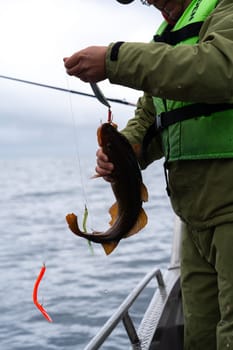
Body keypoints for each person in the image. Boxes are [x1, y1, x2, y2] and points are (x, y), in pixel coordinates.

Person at [64, 0, 233, 349]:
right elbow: (150, 118)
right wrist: (123, 150)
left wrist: (115, 60)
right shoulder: (167, 37)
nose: (154, 4)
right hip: (194, 220)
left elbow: (221, 66)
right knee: (199, 336)